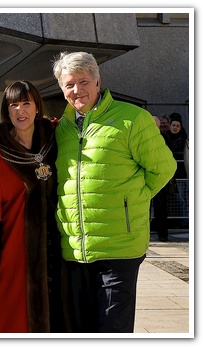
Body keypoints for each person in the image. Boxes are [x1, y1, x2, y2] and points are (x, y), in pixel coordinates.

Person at [51, 51, 177, 333]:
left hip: (120, 246)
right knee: (80, 328)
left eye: (83, 82)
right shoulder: (62, 129)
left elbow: (164, 168)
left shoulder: (132, 119)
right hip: (75, 247)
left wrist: (132, 200)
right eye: (69, 84)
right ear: (61, 88)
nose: (77, 90)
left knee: (112, 328)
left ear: (98, 82)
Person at [0, 81, 70, 333]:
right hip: (14, 254)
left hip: (60, 250)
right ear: (6, 111)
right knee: (11, 318)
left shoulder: (56, 141)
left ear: (37, 107)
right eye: (13, 105)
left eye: (26, 103)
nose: (20, 111)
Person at [151, 116, 176, 242]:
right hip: (159, 177)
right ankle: (162, 234)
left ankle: (161, 234)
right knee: (160, 208)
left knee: (158, 207)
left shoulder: (160, 137)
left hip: (157, 177)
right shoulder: (164, 137)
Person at [168, 112, 188, 178]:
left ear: (180, 128)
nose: (175, 128)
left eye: (177, 126)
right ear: (170, 126)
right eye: (173, 125)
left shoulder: (184, 139)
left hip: (180, 170)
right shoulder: (165, 137)